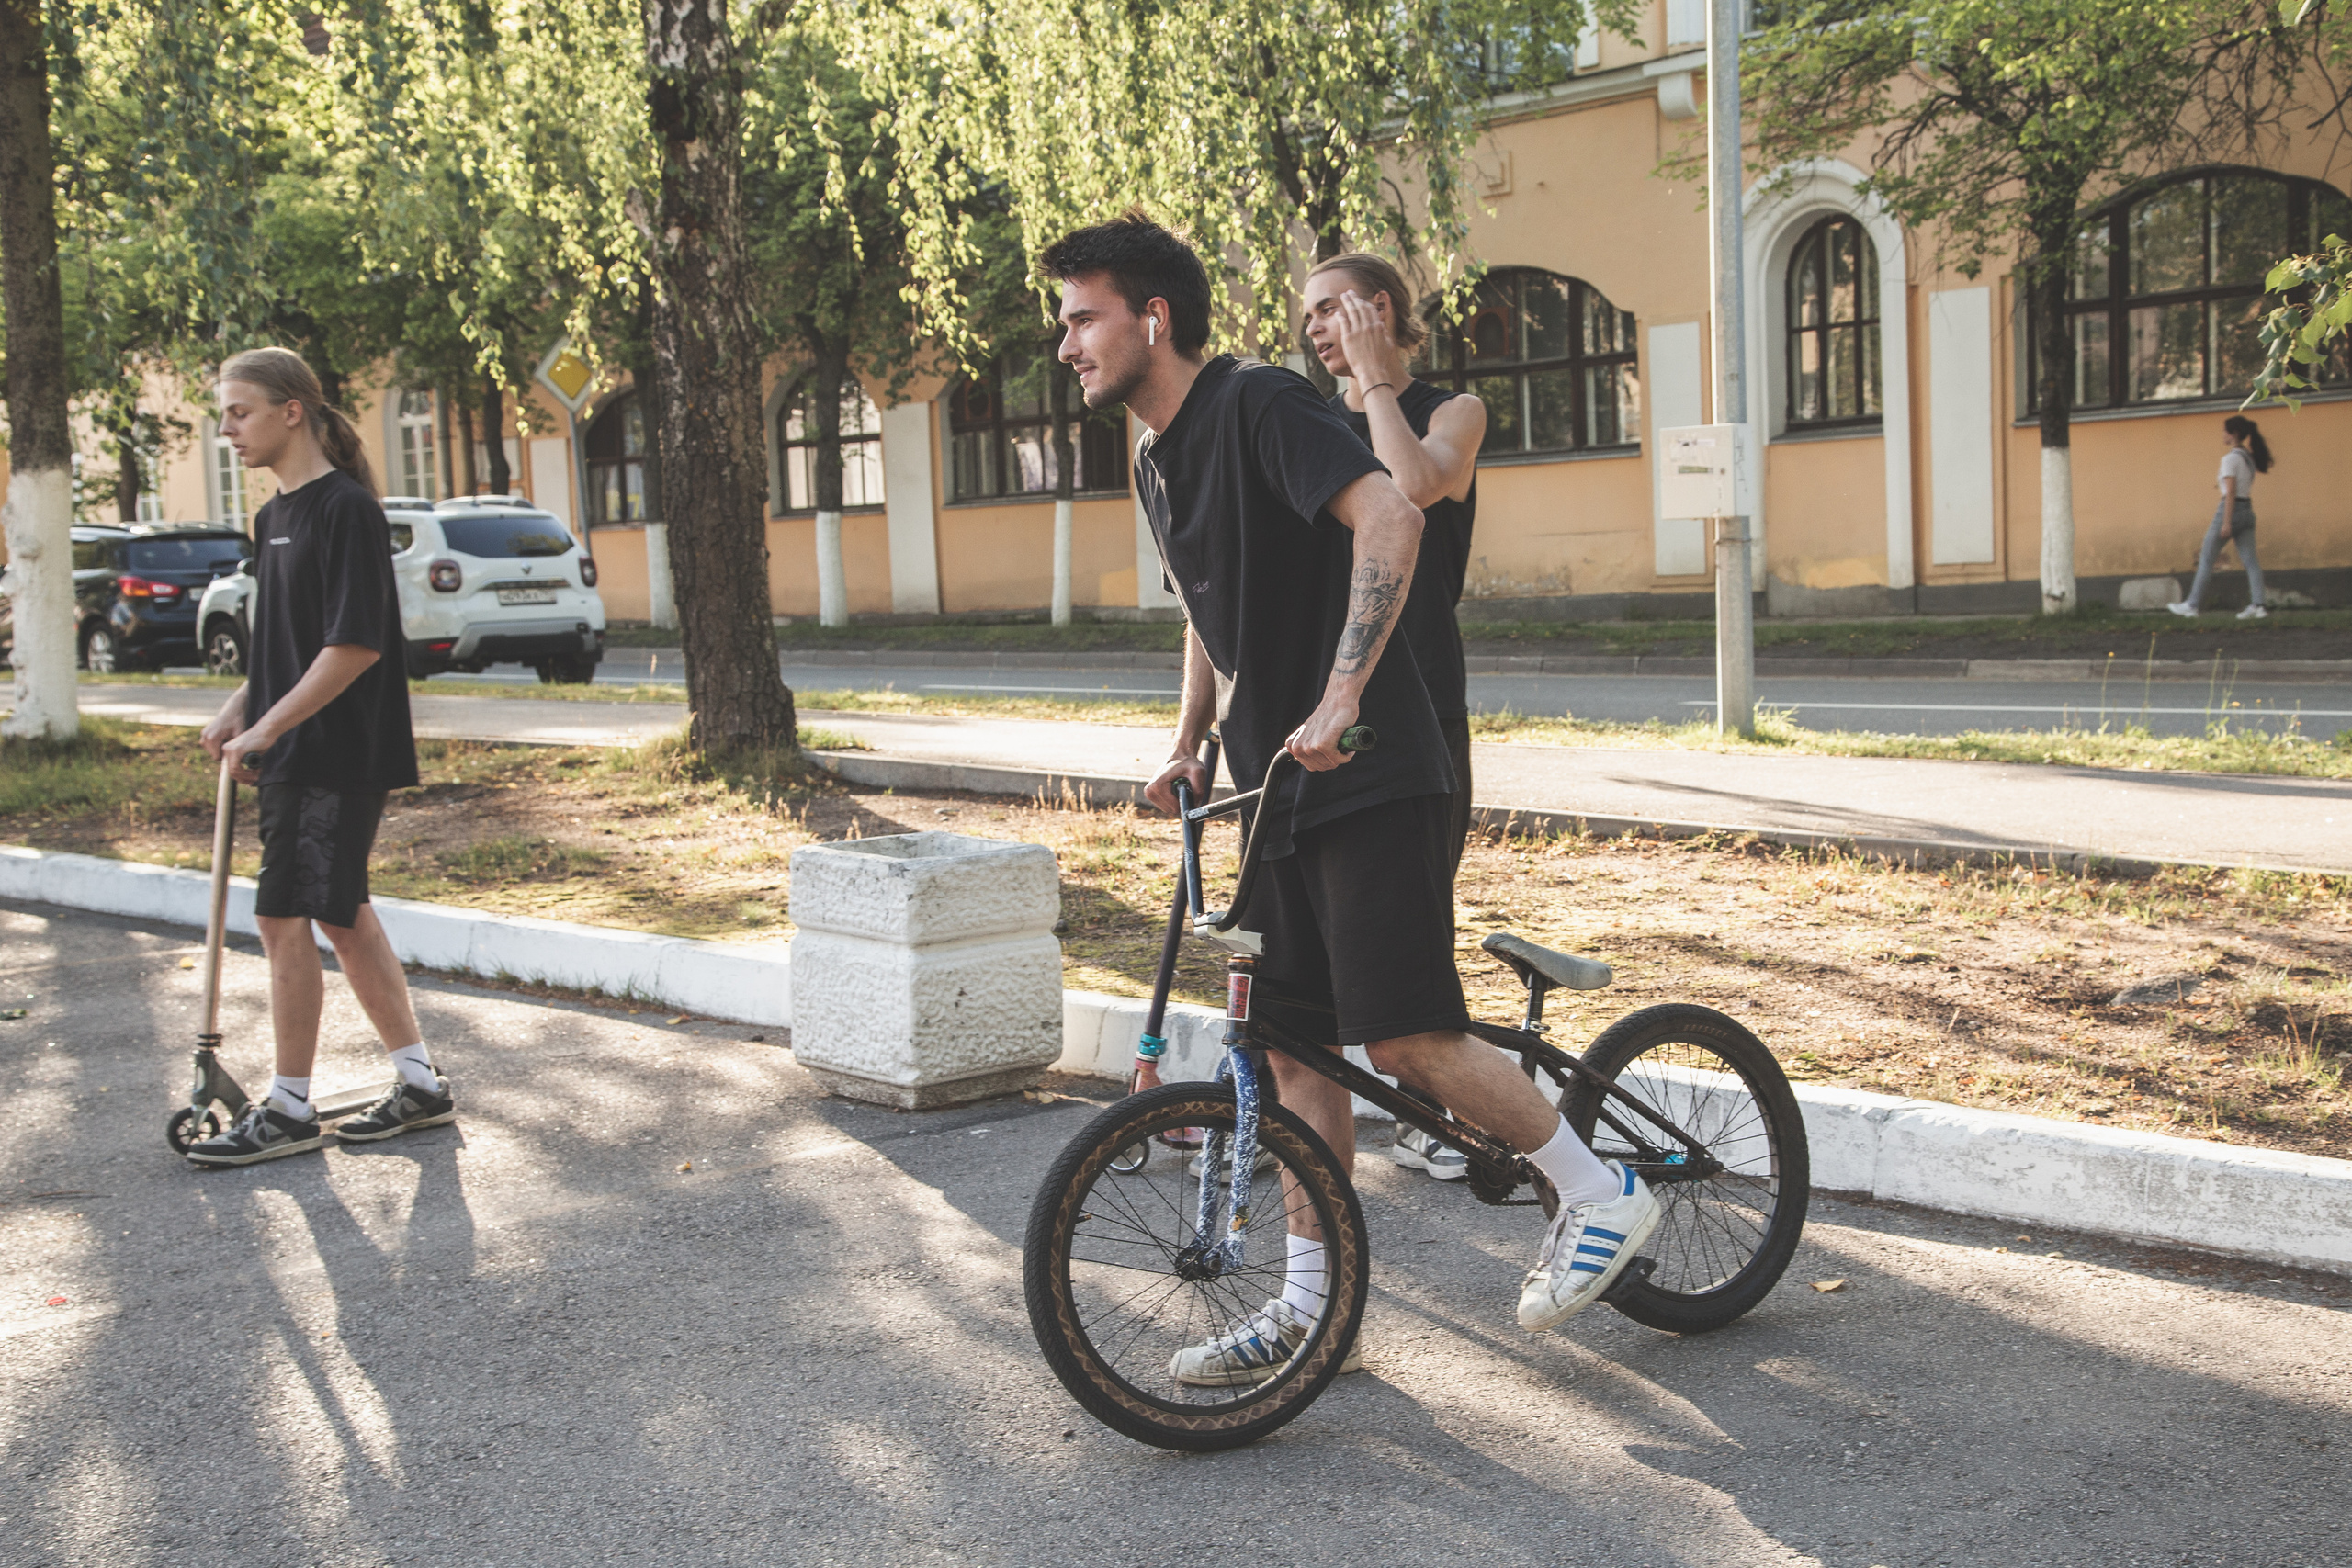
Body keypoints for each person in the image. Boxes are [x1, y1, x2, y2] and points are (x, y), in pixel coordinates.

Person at [1046, 212, 1657, 1382]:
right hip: (1275, 782)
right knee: (1294, 1054)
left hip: (1368, 762)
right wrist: (1187, 742)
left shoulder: (1258, 403)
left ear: (1152, 319)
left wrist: (1338, 695)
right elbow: (1208, 612)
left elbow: (1394, 513)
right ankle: (1311, 1308)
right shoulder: (1155, 457)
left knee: (1406, 1033)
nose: (1066, 345)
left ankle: (1598, 1191)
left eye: (1082, 319)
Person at [187, 347, 452, 1166]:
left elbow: (356, 645)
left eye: (240, 411)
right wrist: (240, 709)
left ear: (290, 410)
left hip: (338, 750)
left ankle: (290, 1107)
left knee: (283, 915)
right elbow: (287, 643)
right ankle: (420, 1084)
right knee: (339, 911)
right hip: (295, 746)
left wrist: (269, 728)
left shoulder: (346, 510)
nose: (228, 429)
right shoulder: (274, 516)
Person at [1301, 252, 1487, 1185]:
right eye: (1307, 316)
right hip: (1325, 702)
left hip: (1418, 700)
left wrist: (1376, 380)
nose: (1315, 328)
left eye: (1331, 309)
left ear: (1380, 308)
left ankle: (1442, 1112)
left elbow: (1410, 487)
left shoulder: (1453, 411)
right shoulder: (1303, 424)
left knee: (1414, 920)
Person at [2167, 416, 2272, 621]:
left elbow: (2230, 492)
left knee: (2207, 558)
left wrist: (2226, 522)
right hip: (2247, 510)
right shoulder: (2249, 458)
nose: (2222, 434)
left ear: (2234, 434)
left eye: (2225, 431)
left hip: (2229, 510)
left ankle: (2192, 605)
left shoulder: (2229, 460)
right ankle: (2259, 605)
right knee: (2251, 561)